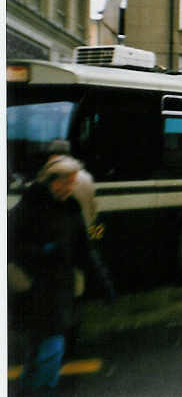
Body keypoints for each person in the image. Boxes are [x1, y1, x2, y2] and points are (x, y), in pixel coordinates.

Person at [8, 155, 113, 394]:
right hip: (35, 288)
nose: (69, 188)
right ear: (51, 180)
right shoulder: (30, 206)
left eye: (72, 183)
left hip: (61, 289)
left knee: (40, 348)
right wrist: (39, 253)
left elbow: (85, 251)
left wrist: (104, 284)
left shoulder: (71, 208)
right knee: (51, 349)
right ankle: (41, 391)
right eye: (65, 183)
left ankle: (28, 389)